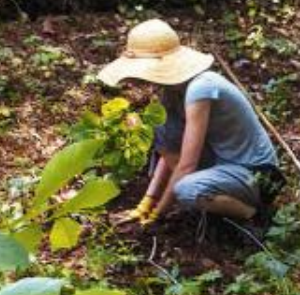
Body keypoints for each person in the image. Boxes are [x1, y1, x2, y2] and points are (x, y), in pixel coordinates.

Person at [97, 19, 282, 226]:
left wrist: (158, 215)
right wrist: (146, 204)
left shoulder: (201, 87)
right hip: (223, 164)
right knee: (161, 126)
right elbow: (169, 152)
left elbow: (187, 165)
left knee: (187, 190)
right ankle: (208, 203)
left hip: (256, 175)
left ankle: (257, 218)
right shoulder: (171, 93)